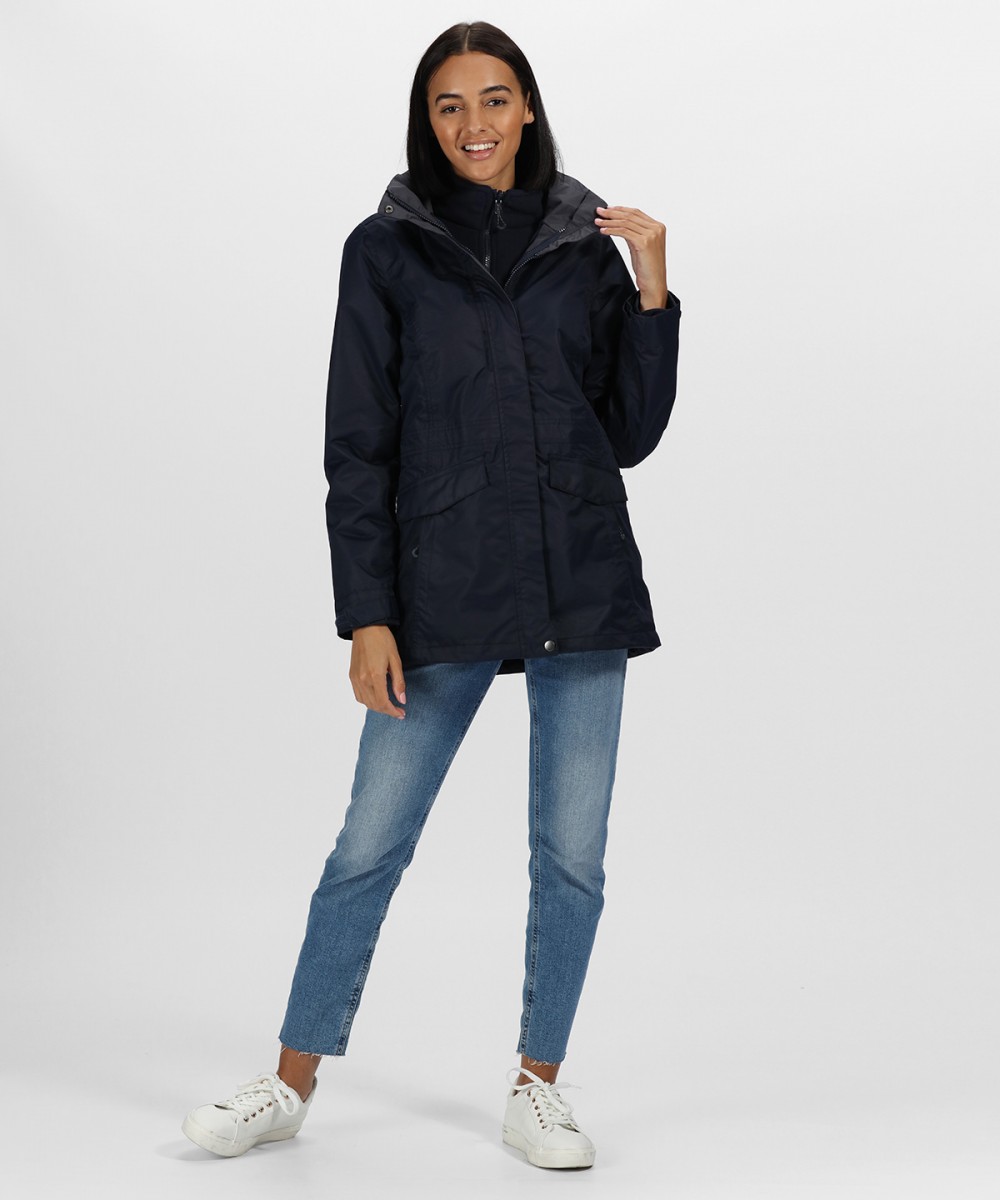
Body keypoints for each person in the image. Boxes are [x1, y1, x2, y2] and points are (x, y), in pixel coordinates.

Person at [181, 20, 681, 1171]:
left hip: (579, 582)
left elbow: (628, 432)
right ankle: (289, 1082)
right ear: (427, 119)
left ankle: (536, 1089)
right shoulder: (387, 250)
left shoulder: (584, 245)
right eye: (450, 105)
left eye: (494, 99)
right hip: (440, 585)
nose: (474, 124)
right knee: (370, 841)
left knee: (571, 855)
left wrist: (653, 288)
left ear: (527, 108)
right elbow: (357, 444)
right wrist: (367, 614)